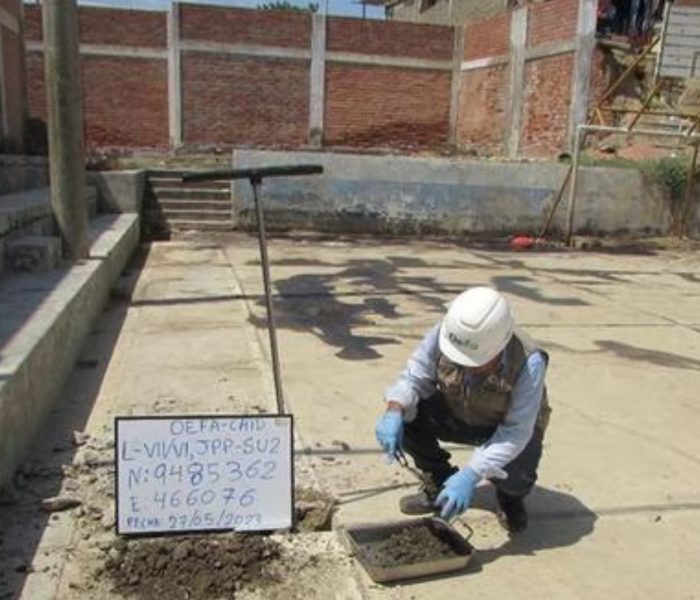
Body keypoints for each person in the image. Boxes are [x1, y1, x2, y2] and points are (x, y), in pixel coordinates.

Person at [375, 287, 550, 533]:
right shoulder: (447, 332)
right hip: (457, 412)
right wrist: (394, 411)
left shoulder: (529, 361)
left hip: (503, 428)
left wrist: (472, 474)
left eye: (475, 362)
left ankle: (510, 498)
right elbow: (414, 377)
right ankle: (439, 481)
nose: (466, 367)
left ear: (500, 346)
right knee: (406, 413)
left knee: (519, 472)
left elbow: (516, 431)